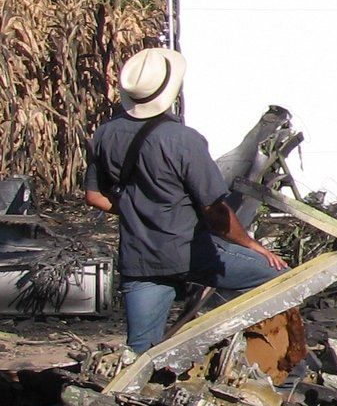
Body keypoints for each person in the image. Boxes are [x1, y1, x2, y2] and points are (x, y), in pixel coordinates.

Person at [82, 48, 288, 360]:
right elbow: (215, 212)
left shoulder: (105, 134)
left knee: (139, 357)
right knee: (282, 279)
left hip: (139, 260)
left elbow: (94, 197)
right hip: (190, 253)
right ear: (171, 90)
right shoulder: (183, 139)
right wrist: (252, 245)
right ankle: (273, 369)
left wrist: (138, 210)